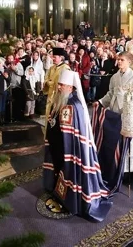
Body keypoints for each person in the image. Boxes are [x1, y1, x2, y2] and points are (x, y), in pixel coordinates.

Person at [42, 70, 112, 222]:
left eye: (62, 85)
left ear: (71, 87)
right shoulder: (60, 100)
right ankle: (56, 190)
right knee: (58, 169)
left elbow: (73, 131)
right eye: (59, 84)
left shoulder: (74, 105)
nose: (59, 87)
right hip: (58, 145)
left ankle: (71, 200)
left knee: (67, 172)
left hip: (70, 149)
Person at [95, 51, 133, 177]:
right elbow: (111, 94)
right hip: (115, 114)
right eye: (118, 59)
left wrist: (132, 113)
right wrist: (101, 102)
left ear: (129, 61)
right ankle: (117, 167)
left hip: (128, 115)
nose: (119, 62)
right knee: (116, 141)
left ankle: (130, 169)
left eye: (122, 60)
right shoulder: (114, 77)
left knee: (129, 142)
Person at [43, 47, 71, 128]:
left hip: (59, 98)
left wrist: (50, 83)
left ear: (61, 57)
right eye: (52, 56)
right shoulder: (52, 67)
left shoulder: (65, 68)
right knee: (48, 118)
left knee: (55, 120)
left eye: (55, 57)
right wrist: (49, 82)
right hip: (50, 96)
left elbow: (64, 84)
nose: (53, 58)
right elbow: (46, 79)